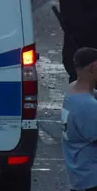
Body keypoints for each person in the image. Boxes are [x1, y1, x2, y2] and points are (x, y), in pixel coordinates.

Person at [65, 46, 97, 191]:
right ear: (93, 68)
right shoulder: (87, 105)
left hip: (78, 175)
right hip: (91, 179)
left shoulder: (71, 91)